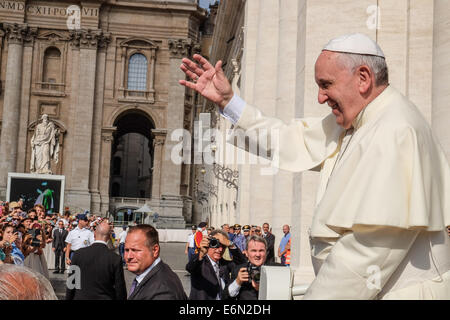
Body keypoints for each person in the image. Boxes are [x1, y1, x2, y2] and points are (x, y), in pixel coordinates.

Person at [179, 33, 450, 299]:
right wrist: (229, 102)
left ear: (363, 78)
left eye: (326, 84)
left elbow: (366, 253)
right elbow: (291, 139)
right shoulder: (361, 120)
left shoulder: (395, 131)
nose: (321, 97)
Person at [66, 219, 126, 300]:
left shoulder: (78, 254)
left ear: (94, 234)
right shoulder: (115, 259)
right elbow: (120, 289)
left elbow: (71, 283)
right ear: (109, 237)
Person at [125, 224, 187, 300]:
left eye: (135, 250)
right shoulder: (161, 271)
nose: (128, 256)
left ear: (155, 250)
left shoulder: (163, 291)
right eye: (126, 250)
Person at [186, 229, 246, 300]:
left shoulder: (225, 264)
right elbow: (190, 267)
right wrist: (201, 253)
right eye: (215, 244)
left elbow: (242, 264)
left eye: (223, 246)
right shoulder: (201, 262)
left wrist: (230, 244)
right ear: (208, 244)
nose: (220, 249)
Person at [223, 235, 281, 300]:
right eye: (254, 251)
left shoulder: (278, 269)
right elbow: (227, 296)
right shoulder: (239, 270)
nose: (258, 255)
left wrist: (264, 288)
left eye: (261, 250)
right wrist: (237, 282)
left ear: (266, 252)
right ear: (247, 253)